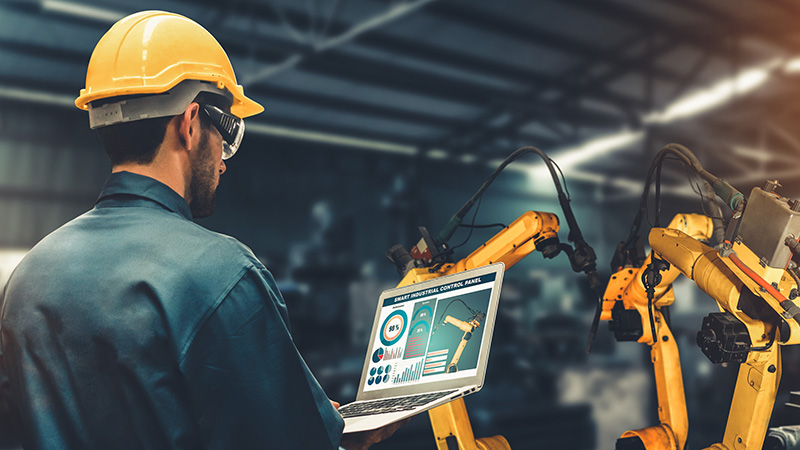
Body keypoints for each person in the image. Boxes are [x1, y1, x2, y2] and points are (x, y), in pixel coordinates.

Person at [0, 10, 404, 450]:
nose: (224, 160)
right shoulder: (221, 276)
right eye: (224, 134)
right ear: (190, 124)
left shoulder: (27, 279)